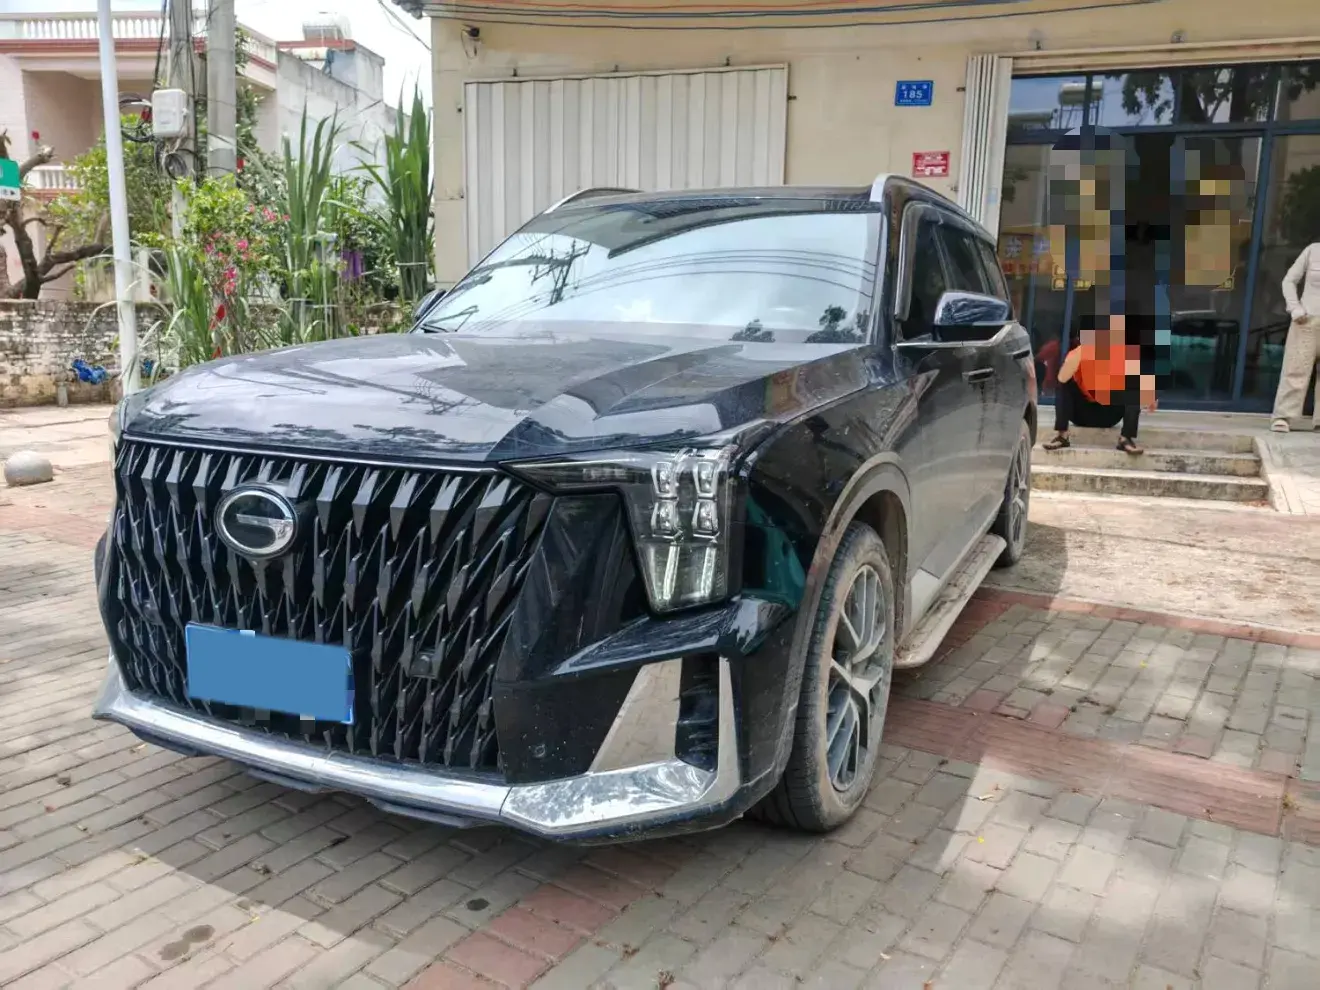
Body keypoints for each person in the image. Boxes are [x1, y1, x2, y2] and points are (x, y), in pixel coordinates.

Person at [1042, 319, 1158, 454]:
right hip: (1081, 414)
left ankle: (1126, 438)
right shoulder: (1077, 354)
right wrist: (1081, 353)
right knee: (1064, 384)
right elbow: (1062, 379)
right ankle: (1062, 436)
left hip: (1108, 414)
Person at [1271, 241, 1320, 433]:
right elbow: (1289, 281)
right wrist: (1295, 307)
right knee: (1295, 368)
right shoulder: (1312, 250)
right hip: (1306, 321)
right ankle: (1283, 416)